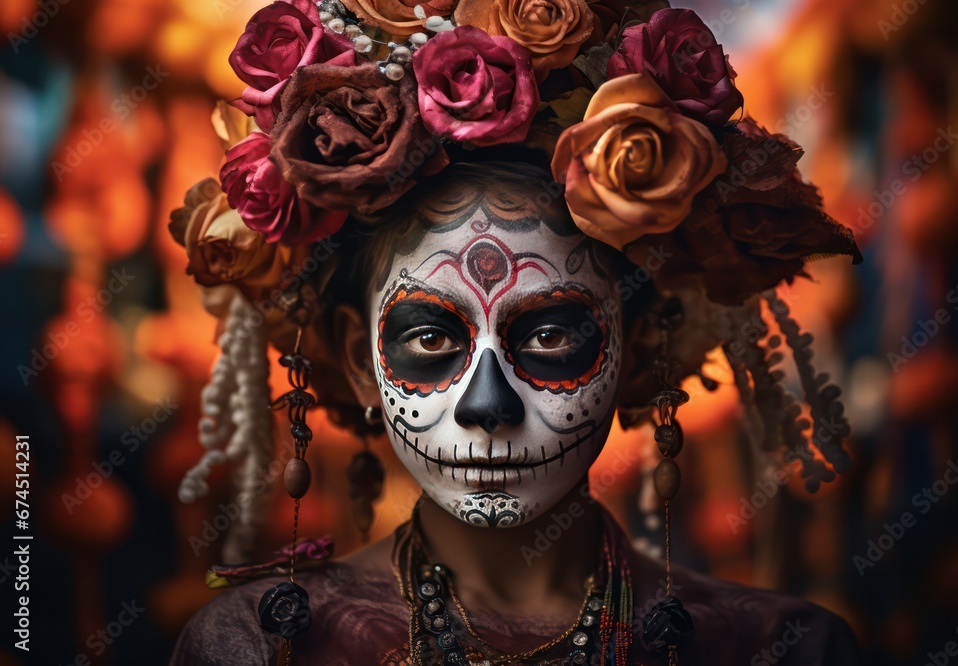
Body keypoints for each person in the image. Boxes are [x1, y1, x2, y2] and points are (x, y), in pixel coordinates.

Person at [167, 1, 863, 664]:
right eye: (433, 340)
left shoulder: (779, 650)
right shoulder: (258, 650)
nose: (486, 406)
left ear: (642, 343)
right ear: (359, 359)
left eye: (552, 336)